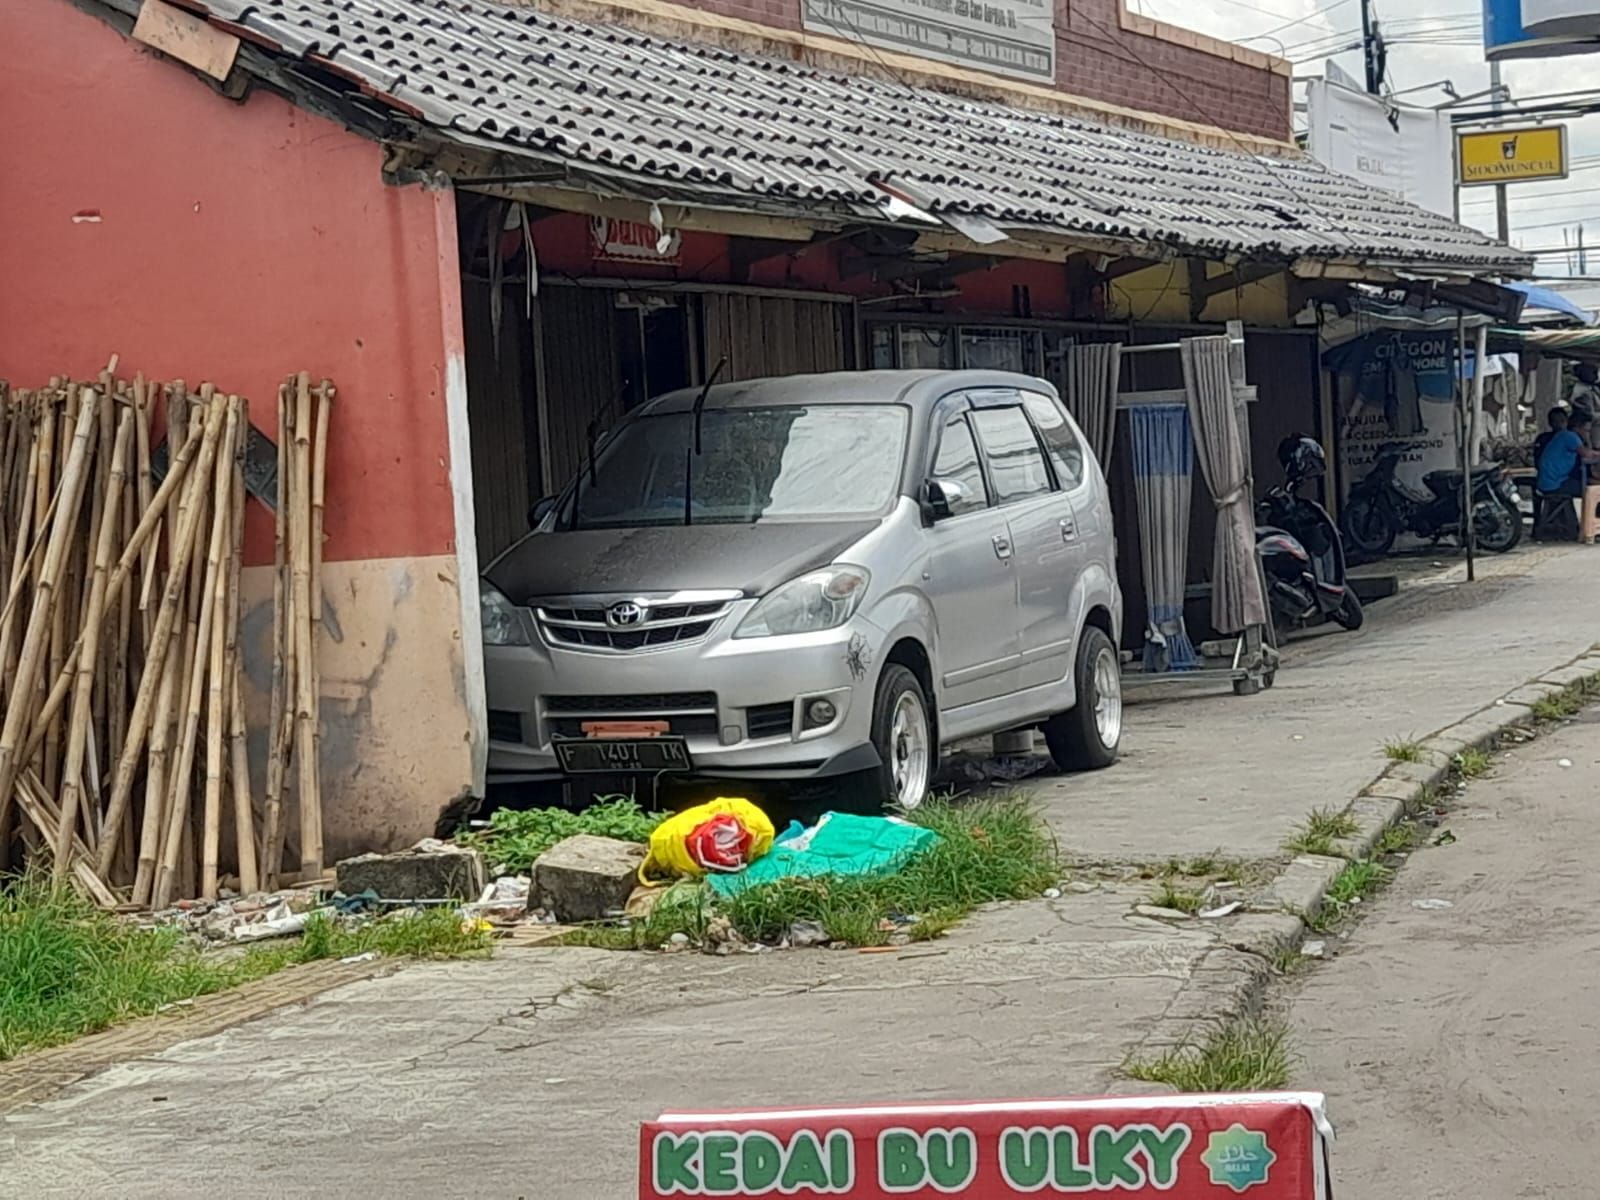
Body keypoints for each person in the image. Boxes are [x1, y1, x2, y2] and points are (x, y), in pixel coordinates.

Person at [1535, 410, 1600, 540]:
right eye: (1586, 430)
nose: (1587, 433)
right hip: (1555, 484)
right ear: (1577, 428)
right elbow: (1587, 454)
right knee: (1595, 491)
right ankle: (1590, 528)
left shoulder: (1562, 436)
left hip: (1550, 481)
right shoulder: (1570, 437)